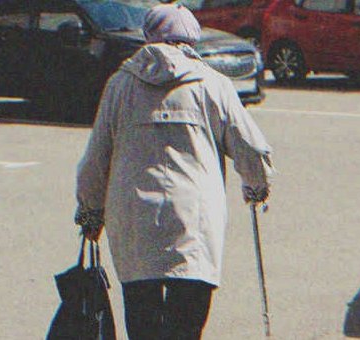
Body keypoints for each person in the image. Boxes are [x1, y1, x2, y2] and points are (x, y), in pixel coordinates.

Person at [74, 3, 274, 339]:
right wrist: (257, 186)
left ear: (148, 36)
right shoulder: (214, 84)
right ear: (192, 40)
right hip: (193, 223)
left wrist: (90, 213)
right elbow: (251, 149)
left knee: (144, 325)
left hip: (135, 221)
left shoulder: (120, 86)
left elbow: (95, 160)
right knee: (186, 327)